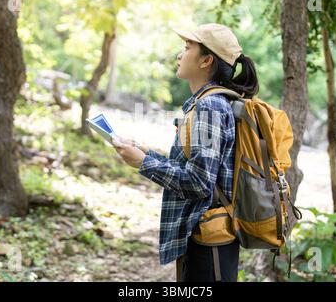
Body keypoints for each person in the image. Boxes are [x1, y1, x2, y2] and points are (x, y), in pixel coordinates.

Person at [111, 23, 259, 282]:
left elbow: (198, 183)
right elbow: (195, 171)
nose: (181, 54)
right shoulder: (208, 103)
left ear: (207, 60)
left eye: (188, 47)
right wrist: (145, 154)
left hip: (209, 242)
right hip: (206, 237)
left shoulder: (210, 106)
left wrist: (144, 164)